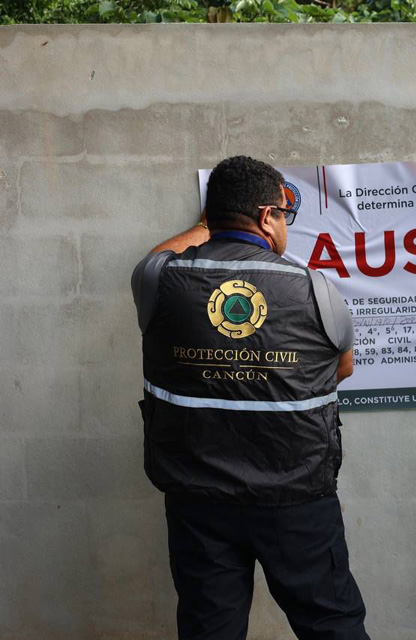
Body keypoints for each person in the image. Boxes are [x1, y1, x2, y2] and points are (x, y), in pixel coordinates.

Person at [131, 156, 369, 640]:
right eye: (284, 214)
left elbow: (155, 257)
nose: (285, 226)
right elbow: (339, 369)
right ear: (266, 217)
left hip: (197, 498)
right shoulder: (315, 288)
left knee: (209, 630)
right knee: (331, 626)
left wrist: (206, 225)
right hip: (296, 496)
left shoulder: (159, 281)